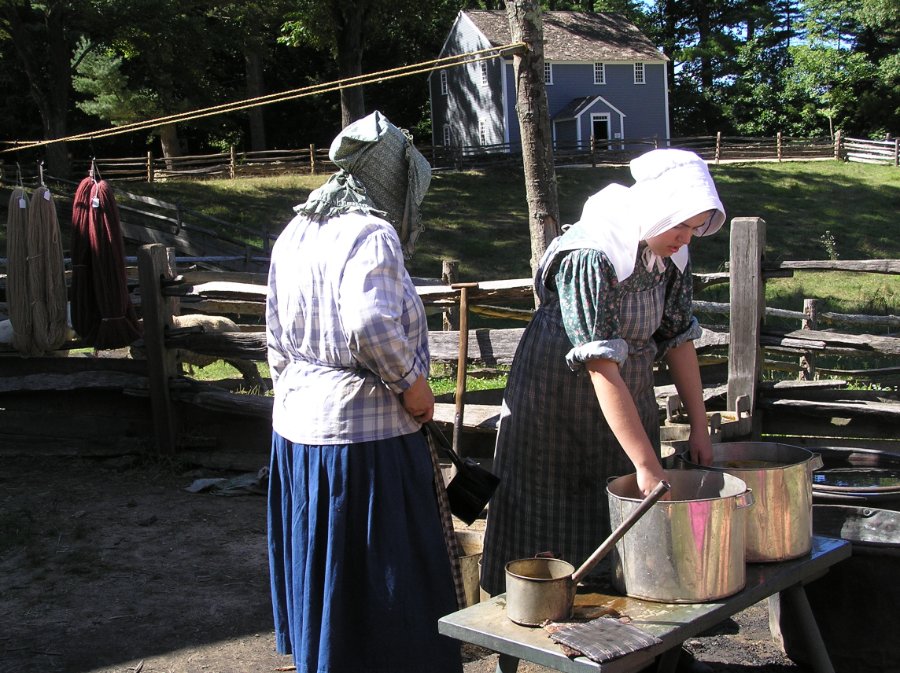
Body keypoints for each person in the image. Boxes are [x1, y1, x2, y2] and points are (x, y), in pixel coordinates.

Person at [265, 111, 463, 673]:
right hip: (365, 443)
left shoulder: (297, 230)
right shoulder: (370, 232)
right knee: (385, 572)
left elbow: (274, 333)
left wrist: (299, 397)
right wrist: (412, 385)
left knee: (327, 561)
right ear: (394, 180)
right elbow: (370, 323)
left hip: (298, 431)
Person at [480, 148, 727, 598]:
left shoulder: (671, 256)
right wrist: (646, 462)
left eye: (695, 229)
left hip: (626, 399)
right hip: (554, 405)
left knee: (625, 511)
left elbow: (678, 339)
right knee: (548, 518)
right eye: (681, 226)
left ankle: (625, 627)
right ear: (657, 210)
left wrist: (699, 426)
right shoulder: (593, 254)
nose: (686, 239)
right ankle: (531, 618)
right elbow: (599, 363)